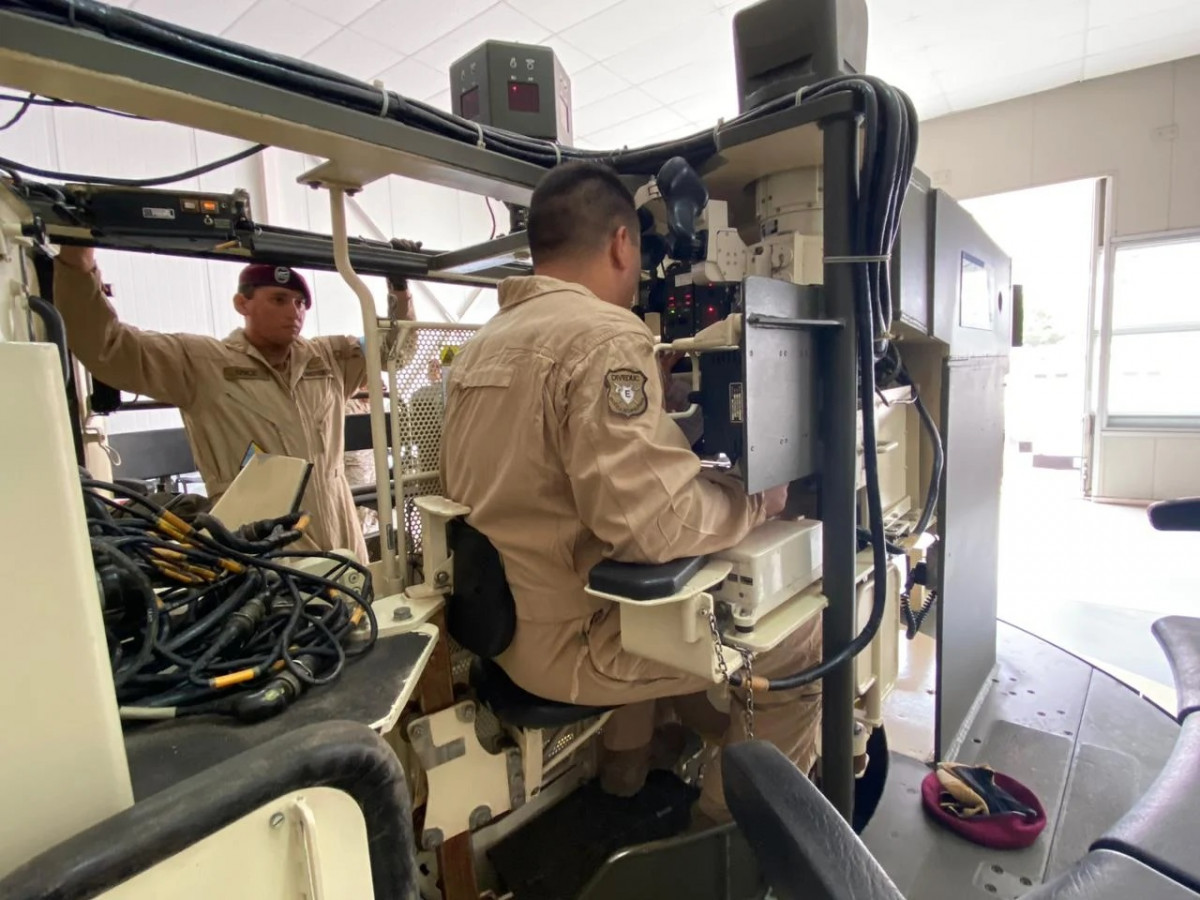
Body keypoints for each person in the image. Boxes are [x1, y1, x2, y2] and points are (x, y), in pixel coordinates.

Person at [441, 161, 822, 825]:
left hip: (504, 628)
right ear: (623, 243)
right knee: (801, 644)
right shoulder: (601, 334)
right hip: (574, 644)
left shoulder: (481, 346)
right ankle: (724, 838)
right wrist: (756, 499)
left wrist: (660, 406)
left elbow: (547, 465)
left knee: (656, 608)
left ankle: (624, 778)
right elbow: (654, 527)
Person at [54, 244, 417, 564]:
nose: (294, 312)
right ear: (242, 302)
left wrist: (399, 291)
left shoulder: (327, 359)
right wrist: (79, 265)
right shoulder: (203, 364)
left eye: (300, 303)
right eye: (278, 300)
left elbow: (394, 353)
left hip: (341, 540)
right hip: (261, 549)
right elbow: (111, 348)